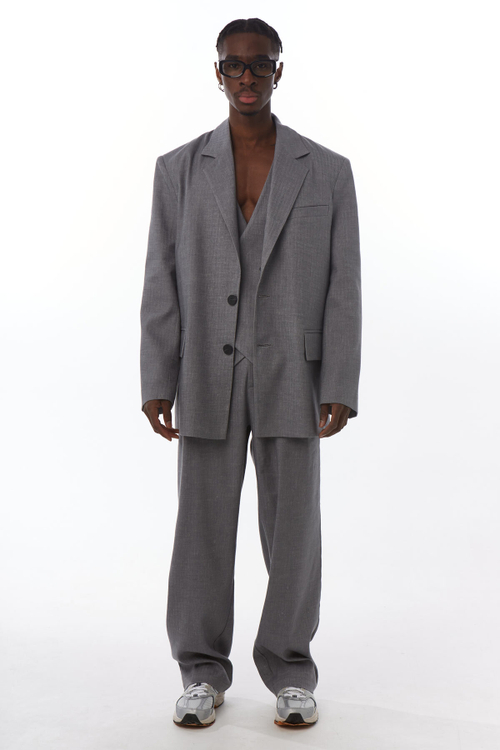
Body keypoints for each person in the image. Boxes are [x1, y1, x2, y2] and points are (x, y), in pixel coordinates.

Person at [139, 17, 362, 729]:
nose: (246, 77)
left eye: (259, 64)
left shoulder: (327, 170)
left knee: (294, 530)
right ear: (217, 72)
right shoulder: (177, 169)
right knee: (201, 530)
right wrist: (156, 377)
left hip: (295, 373)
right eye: (233, 65)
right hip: (205, 373)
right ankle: (201, 672)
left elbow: (344, 285)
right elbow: (161, 278)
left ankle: (291, 670)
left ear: (278, 71)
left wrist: (340, 382)